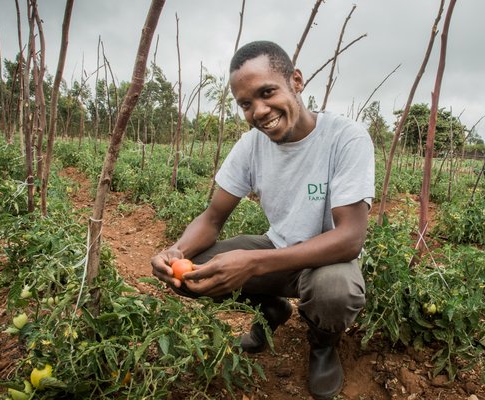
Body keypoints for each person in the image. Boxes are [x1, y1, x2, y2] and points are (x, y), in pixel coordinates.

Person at [150, 40, 374, 400]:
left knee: (336, 291)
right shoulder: (251, 145)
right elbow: (212, 217)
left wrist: (253, 263)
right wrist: (175, 250)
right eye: (246, 104)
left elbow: (350, 238)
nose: (259, 111)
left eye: (267, 92)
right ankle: (270, 309)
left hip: (327, 260)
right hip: (278, 248)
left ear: (296, 81)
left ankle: (322, 343)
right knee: (190, 270)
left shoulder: (345, 138)